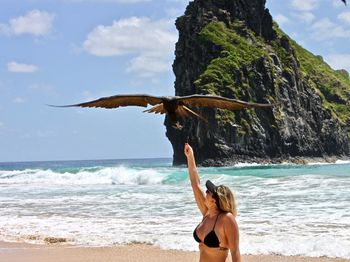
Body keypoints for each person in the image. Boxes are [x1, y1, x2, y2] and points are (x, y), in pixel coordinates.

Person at [184, 143, 241, 262]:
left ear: (214, 200)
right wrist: (190, 157)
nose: (205, 192)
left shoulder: (227, 219)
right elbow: (195, 184)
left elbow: (235, 252)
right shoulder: (206, 214)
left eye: (208, 192)